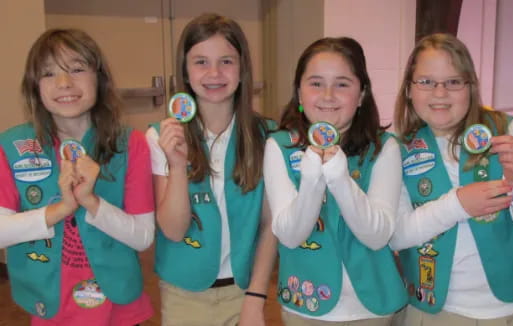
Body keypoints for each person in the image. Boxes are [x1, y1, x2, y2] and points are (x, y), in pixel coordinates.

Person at [0, 29, 155, 325]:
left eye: (77, 69)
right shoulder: (11, 147)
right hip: (50, 304)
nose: (64, 83)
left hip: (119, 307)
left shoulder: (130, 144)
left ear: (99, 77)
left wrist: (92, 202)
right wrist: (60, 210)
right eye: (48, 73)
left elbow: (143, 237)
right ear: (35, 86)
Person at [146, 13, 277, 326]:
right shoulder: (160, 136)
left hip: (244, 290)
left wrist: (256, 298)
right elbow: (174, 230)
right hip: (183, 293)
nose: (214, 73)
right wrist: (177, 166)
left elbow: (271, 223)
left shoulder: (268, 136)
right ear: (185, 72)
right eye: (201, 62)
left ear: (242, 68)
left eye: (227, 61)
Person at [265, 37, 407, 326]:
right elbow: (290, 235)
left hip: (374, 308)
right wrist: (312, 178)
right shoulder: (280, 146)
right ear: (299, 93)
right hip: (305, 306)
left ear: (362, 94)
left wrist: (340, 179)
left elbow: (377, 235)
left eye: (342, 84)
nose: (328, 95)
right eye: (315, 83)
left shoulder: (384, 147)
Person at [391, 33, 513, 325]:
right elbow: (396, 235)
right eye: (426, 81)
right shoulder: (397, 148)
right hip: (431, 309)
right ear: (409, 89)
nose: (440, 93)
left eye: (453, 81)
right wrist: (458, 204)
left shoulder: (508, 131)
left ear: (471, 86)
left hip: (508, 306)